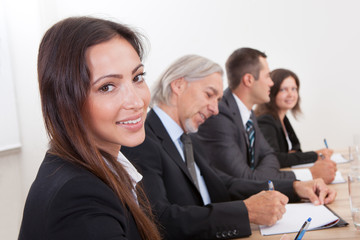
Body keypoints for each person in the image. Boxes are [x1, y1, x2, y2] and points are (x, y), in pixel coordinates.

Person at [121, 54, 336, 240]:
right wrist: (246, 211)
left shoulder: (187, 138)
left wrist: (296, 187)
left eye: (218, 99)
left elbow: (224, 184)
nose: (215, 109)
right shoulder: (142, 140)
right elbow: (161, 220)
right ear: (178, 86)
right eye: (209, 95)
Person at [18, 17, 161, 240]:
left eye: (137, 77)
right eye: (107, 87)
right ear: (66, 100)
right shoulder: (78, 198)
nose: (136, 101)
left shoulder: (94, 168)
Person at [197, 47, 336, 184]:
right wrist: (309, 174)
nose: (271, 83)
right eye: (268, 76)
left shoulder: (247, 113)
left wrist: (259, 175)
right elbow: (245, 180)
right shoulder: (219, 115)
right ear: (249, 80)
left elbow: (269, 156)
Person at [254, 68, 334, 169]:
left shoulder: (283, 117)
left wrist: (289, 156)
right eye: (283, 89)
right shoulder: (265, 120)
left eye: (294, 89)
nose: (291, 94)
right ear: (271, 92)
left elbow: (297, 149)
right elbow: (274, 158)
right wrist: (315, 154)